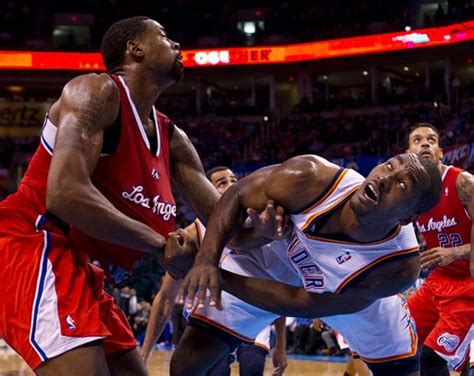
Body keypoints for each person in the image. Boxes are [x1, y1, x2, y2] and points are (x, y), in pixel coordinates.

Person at [0, 17, 276, 375]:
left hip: (80, 264)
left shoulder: (172, 138)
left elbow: (226, 224)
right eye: (164, 35)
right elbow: (64, 194)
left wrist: (264, 230)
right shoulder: (95, 92)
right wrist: (160, 244)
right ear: (135, 49)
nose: (177, 44)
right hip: (31, 242)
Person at [173, 152, 442, 376]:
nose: (385, 178)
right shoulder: (310, 176)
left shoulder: (398, 267)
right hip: (282, 260)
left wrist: (217, 275)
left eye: (402, 185)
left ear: (408, 218)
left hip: (347, 300)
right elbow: (238, 194)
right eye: (389, 165)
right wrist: (207, 260)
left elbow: (301, 303)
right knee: (187, 362)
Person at [140, 166, 288, 375]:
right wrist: (144, 354)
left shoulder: (258, 223)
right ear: (204, 191)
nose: (232, 185)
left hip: (254, 312)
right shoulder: (193, 233)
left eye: (233, 179)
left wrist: (280, 346)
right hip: (215, 315)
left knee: (252, 367)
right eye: (222, 183)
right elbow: (165, 298)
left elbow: (278, 288)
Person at [406, 123, 474, 375]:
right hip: (438, 282)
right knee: (402, 340)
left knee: (432, 358)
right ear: (409, 152)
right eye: (417, 140)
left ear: (440, 152)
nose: (425, 143)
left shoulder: (462, 181)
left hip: (469, 284)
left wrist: (456, 251)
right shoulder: (412, 195)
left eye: (431, 140)